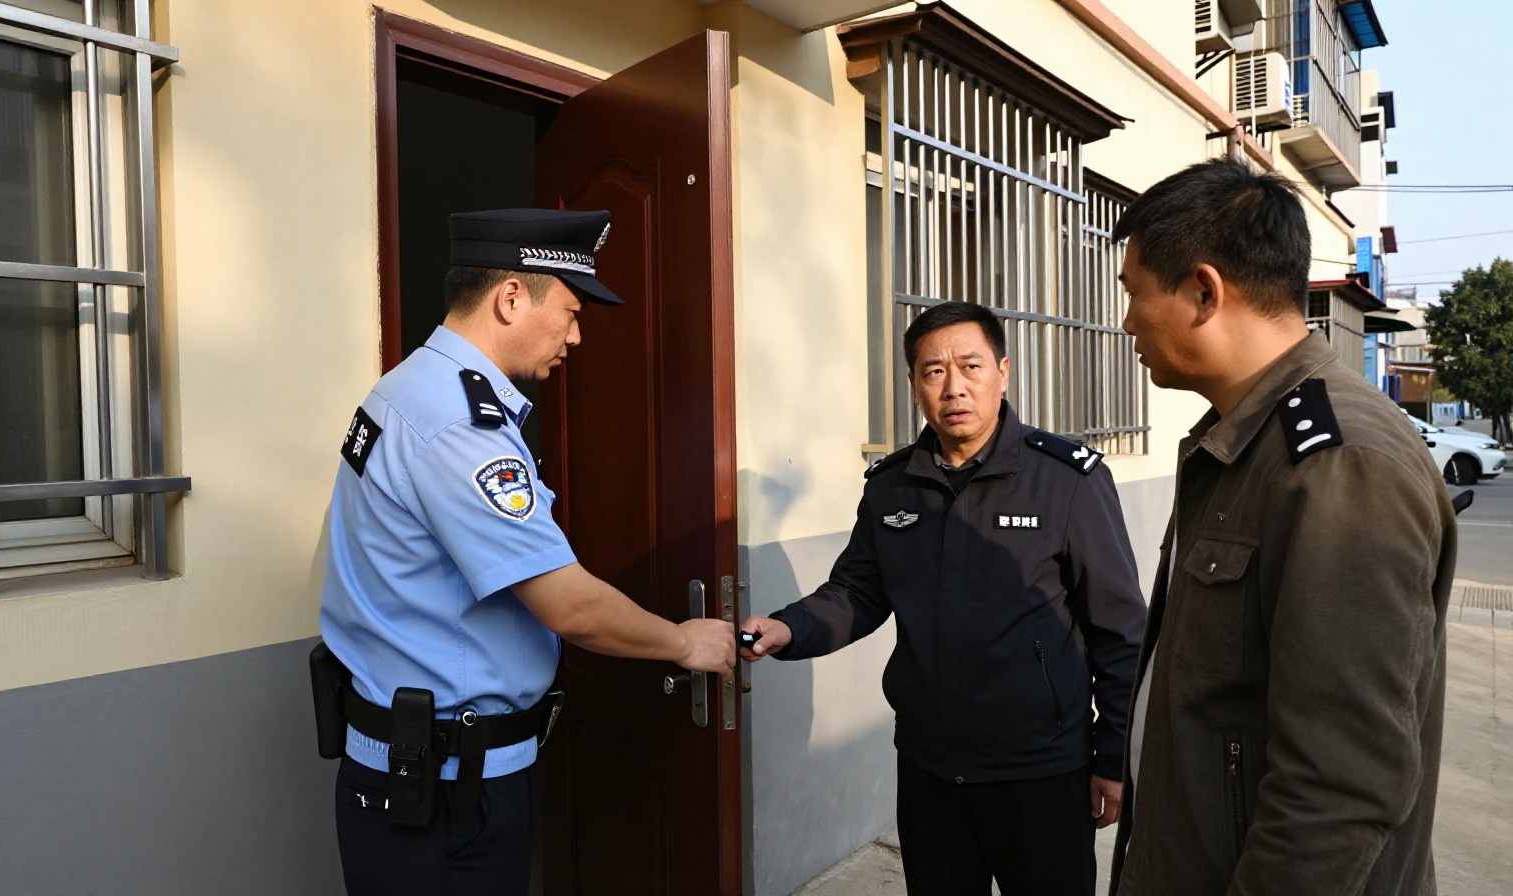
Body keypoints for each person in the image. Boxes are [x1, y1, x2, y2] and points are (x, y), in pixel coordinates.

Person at [315, 208, 736, 895]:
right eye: (569, 312)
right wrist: (685, 643)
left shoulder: (409, 390)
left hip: (428, 771)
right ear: (510, 298)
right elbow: (571, 606)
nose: (575, 336)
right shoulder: (458, 425)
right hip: (444, 789)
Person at [1107, 158, 1456, 896]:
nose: (1128, 321)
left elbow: (1339, 788)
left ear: (1204, 291)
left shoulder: (1340, 466)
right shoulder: (1246, 442)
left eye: (1135, 293)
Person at [740, 301, 1147, 896]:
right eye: (934, 371)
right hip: (931, 766)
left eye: (971, 367)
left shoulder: (1065, 479)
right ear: (913, 384)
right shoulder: (892, 486)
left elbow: (1118, 631)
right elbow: (857, 591)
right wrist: (787, 629)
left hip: (1039, 769)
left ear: (1003, 373)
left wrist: (1112, 758)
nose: (954, 387)